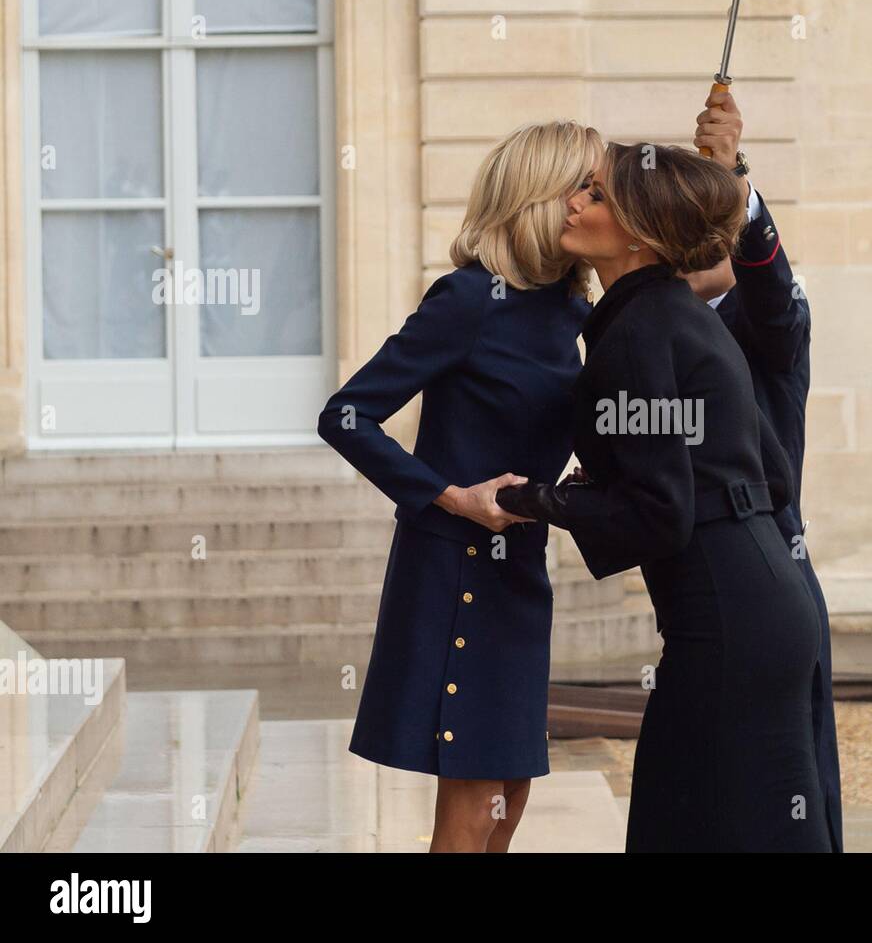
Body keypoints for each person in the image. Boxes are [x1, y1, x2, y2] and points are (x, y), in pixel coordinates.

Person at [495, 141, 832, 852]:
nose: (574, 202)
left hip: (726, 620)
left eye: (594, 194)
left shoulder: (639, 329)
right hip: (773, 599)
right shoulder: (681, 316)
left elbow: (660, 511)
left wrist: (530, 500)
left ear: (640, 232)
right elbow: (760, 475)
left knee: (676, 825)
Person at [316, 121, 601, 852]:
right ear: (542, 198)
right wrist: (450, 495)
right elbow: (346, 414)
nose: (598, 204)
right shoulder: (470, 299)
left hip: (522, 577)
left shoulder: (577, 313)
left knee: (510, 795)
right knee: (474, 802)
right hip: (455, 572)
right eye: (587, 187)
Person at [681, 89, 844, 853]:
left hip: (774, 576)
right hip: (697, 604)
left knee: (790, 805)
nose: (680, 242)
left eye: (696, 226)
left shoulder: (760, 320)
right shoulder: (658, 332)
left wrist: (738, 184)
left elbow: (776, 298)